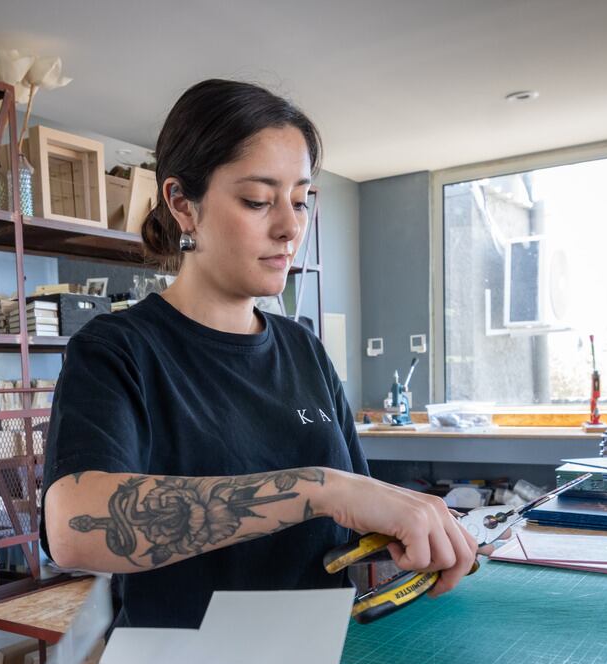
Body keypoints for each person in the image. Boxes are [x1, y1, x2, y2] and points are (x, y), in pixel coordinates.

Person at [40, 79, 479, 629]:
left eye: (299, 201)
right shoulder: (116, 349)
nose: (290, 227)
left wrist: (421, 531)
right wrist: (322, 488)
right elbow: (75, 528)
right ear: (182, 204)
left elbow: (353, 526)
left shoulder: (303, 349)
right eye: (257, 200)